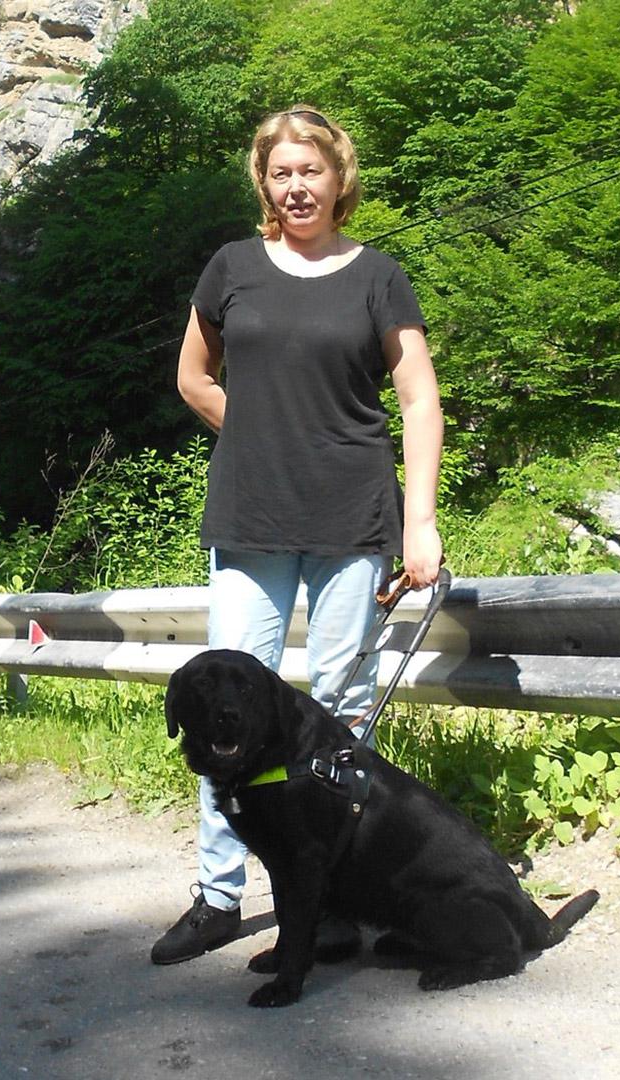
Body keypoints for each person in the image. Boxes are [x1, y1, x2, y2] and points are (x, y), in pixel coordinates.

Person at [152, 105, 444, 966]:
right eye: (281, 173)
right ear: (264, 182)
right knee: (226, 708)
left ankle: (336, 902)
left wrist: (420, 520)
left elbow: (419, 399)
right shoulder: (232, 267)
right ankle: (219, 896)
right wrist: (259, 434)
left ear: (338, 176)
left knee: (344, 712)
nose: (296, 187)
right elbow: (193, 377)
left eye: (310, 170)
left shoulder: (378, 276)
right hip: (251, 515)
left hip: (353, 515)